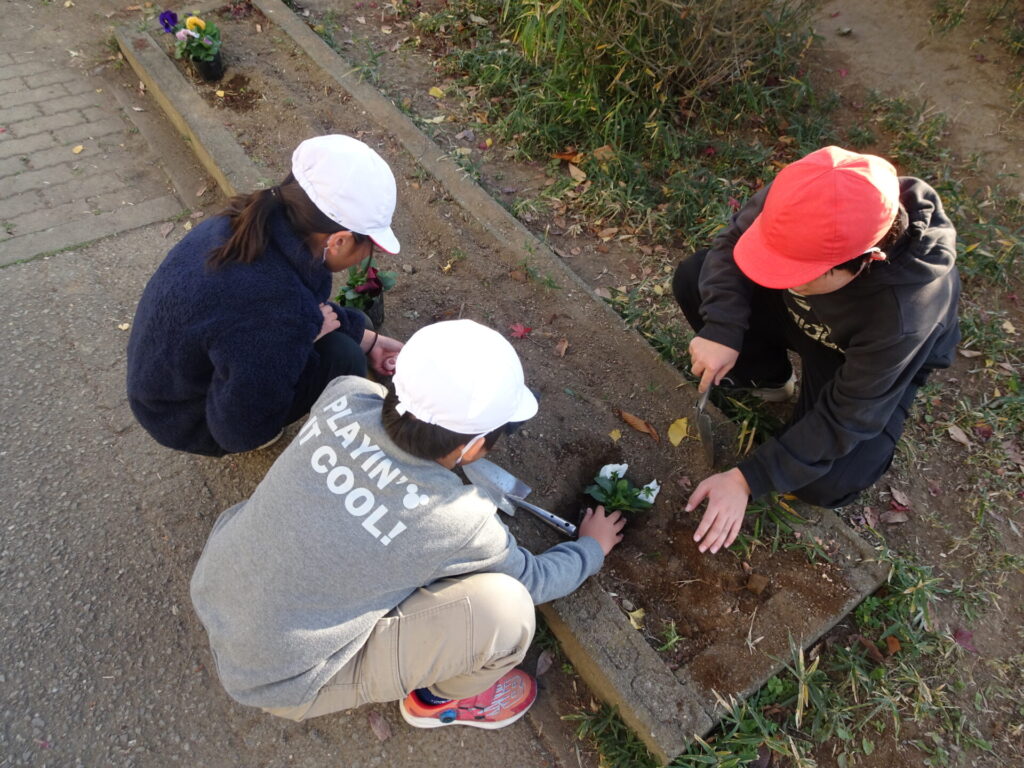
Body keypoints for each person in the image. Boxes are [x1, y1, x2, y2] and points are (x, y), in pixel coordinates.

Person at [189, 319, 626, 728]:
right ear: (474, 446)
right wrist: (591, 548)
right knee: (507, 614)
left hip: (215, 584)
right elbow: (535, 580)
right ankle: (434, 701)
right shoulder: (459, 521)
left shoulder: (345, 395)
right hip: (278, 678)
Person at [672, 146, 960, 554]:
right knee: (694, 277)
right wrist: (722, 328)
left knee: (828, 480)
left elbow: (850, 415)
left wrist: (746, 479)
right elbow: (733, 244)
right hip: (805, 319)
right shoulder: (806, 194)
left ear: (868, 259)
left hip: (856, 363)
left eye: (799, 274)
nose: (778, 280)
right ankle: (771, 379)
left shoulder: (906, 313)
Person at [126, 134, 405, 456]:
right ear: (339, 240)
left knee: (356, 329)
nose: (367, 257)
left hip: (162, 384)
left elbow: (286, 308)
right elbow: (239, 433)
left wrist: (368, 339)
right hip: (188, 419)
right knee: (343, 356)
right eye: (370, 249)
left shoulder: (246, 221)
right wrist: (304, 337)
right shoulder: (277, 310)